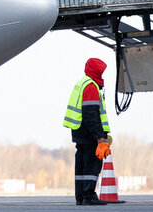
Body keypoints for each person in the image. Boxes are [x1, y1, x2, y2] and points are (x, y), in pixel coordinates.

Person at [62, 58, 112, 206]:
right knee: (92, 164)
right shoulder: (91, 86)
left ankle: (81, 197)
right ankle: (89, 195)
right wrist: (99, 137)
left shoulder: (82, 83)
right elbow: (91, 114)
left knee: (82, 165)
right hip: (89, 134)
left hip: (79, 131)